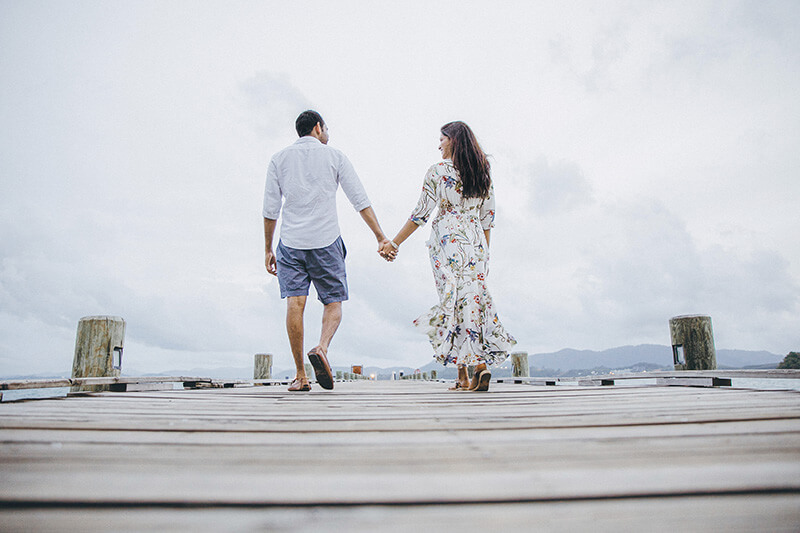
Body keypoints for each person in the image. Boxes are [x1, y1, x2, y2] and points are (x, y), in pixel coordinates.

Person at [381, 121, 516, 391]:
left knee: (453, 300)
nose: (438, 144)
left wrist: (393, 242)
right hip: (476, 243)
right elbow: (488, 219)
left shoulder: (438, 171)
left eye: (441, 139)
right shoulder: (483, 172)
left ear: (452, 140)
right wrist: (485, 256)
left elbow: (420, 214)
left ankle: (470, 371)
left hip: (448, 241)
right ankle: (475, 369)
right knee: (473, 300)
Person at [264, 110, 391, 392]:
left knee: (295, 304)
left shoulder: (279, 159)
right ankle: (321, 347)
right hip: (326, 241)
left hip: (291, 243)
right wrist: (380, 236)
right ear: (318, 128)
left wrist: (267, 249)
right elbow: (359, 199)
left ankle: (300, 375)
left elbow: (270, 209)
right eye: (326, 128)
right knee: (333, 302)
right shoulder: (334, 156)